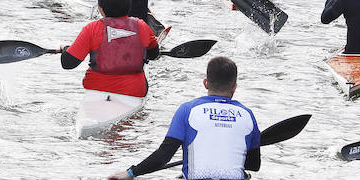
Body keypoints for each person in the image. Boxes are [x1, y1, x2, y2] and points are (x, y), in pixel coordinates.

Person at [111, 56, 262, 180]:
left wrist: (130, 173)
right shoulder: (247, 115)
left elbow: (163, 156)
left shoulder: (188, 110)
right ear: (234, 86)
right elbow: (253, 165)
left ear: (205, 83)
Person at [62, 0, 160, 114]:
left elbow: (68, 63)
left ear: (101, 8)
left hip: (97, 91)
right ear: (128, 5)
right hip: (133, 92)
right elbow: (154, 54)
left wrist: (65, 50)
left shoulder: (92, 29)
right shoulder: (142, 26)